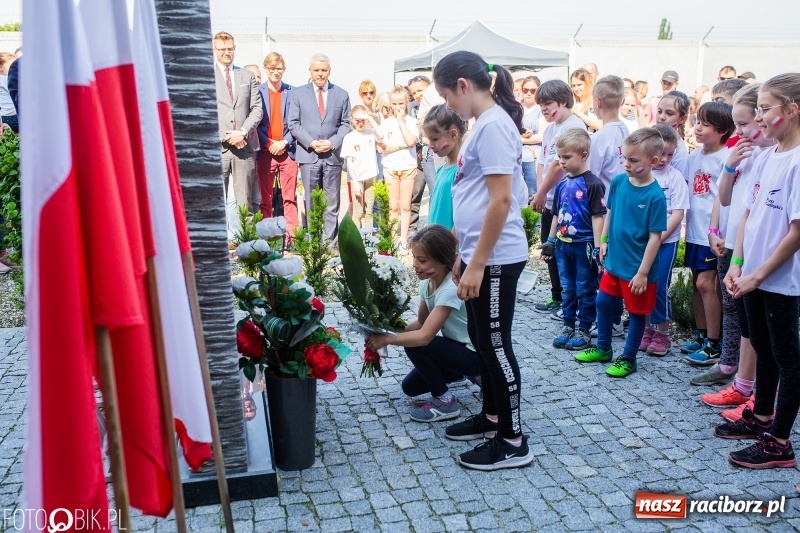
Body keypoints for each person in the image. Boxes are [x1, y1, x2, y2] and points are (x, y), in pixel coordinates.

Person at [432, 51, 532, 471]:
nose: (449, 108)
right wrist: (463, 254)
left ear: (461, 85)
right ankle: (492, 416)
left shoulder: (492, 127)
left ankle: (512, 440)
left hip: (496, 258)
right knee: (481, 335)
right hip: (479, 254)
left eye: (447, 98)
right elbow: (471, 196)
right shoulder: (483, 125)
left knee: (495, 345)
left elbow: (501, 200)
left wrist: (476, 264)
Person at [716, 73, 800, 470]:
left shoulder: (798, 161)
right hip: (751, 274)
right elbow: (747, 214)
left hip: (780, 280)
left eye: (765, 109)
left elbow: (796, 232)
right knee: (763, 346)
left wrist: (759, 274)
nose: (760, 118)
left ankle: (780, 442)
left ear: (791, 110)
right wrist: (737, 265)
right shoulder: (768, 156)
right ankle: (761, 415)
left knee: (787, 356)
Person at [693, 84, 773, 417]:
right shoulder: (742, 153)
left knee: (762, 329)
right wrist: (729, 166)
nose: (737, 132)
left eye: (743, 124)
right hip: (737, 248)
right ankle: (742, 382)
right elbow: (725, 199)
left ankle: (758, 393)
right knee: (742, 318)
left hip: (760, 255)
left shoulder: (772, 156)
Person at [574, 128, 667, 378]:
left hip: (638, 269)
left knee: (636, 314)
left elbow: (655, 237)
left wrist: (643, 273)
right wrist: (603, 240)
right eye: (624, 158)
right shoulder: (616, 182)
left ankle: (628, 358)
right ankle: (603, 348)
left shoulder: (656, 196)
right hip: (614, 261)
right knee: (603, 302)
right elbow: (610, 212)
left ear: (653, 162)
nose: (626, 164)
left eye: (633, 160)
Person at [366, 225, 480, 422]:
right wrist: (386, 330)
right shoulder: (427, 283)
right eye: (414, 258)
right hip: (456, 348)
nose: (415, 265)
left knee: (418, 346)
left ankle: (445, 402)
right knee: (410, 388)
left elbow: (424, 336)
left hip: (473, 354)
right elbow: (420, 322)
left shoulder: (450, 289)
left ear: (443, 260)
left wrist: (387, 339)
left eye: (422, 260)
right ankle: (461, 374)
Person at [540, 129, 605, 351]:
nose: (562, 162)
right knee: (567, 287)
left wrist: (598, 247)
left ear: (584, 155)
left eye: (567, 157)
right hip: (563, 245)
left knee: (585, 287)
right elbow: (556, 214)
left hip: (584, 245)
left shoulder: (593, 184)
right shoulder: (562, 185)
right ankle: (568, 324)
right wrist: (550, 240)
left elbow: (598, 216)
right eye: (559, 157)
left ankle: (585, 328)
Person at [681, 102, 734, 366]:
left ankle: (715, 343)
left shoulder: (728, 157)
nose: (697, 128)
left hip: (713, 234)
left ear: (722, 130)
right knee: (696, 284)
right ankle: (701, 334)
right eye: (696, 122)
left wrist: (717, 231)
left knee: (707, 285)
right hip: (693, 231)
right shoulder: (694, 157)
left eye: (704, 124)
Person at [529, 79, 587, 318]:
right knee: (548, 247)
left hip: (566, 199)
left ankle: (568, 299)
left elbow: (558, 165)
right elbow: (543, 161)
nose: (543, 109)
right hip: (550, 196)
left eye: (548, 103)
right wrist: (541, 190)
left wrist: (542, 191)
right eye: (540, 104)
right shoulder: (551, 127)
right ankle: (557, 295)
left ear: (563, 101)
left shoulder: (572, 126)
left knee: (561, 251)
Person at [287, 53, 351, 244]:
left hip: (332, 155)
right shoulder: (298, 94)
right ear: (310, 71)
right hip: (309, 155)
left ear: (329, 71)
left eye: (324, 70)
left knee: (332, 202)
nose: (320, 74)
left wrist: (332, 142)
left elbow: (346, 124)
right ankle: (314, 242)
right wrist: (311, 142)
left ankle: (330, 243)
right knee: (311, 202)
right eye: (316, 70)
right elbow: (293, 123)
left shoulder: (341, 94)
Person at [641, 124, 689, 355]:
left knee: (660, 285)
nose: (665, 159)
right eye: (661, 153)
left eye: (671, 154)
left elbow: (678, 213)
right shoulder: (641, 175)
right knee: (643, 285)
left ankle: (662, 333)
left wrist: (658, 238)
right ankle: (647, 328)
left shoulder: (675, 177)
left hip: (665, 243)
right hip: (640, 243)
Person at [213, 32, 263, 242]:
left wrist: (242, 132)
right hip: (218, 149)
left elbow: (257, 109)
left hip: (244, 147)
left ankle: (247, 247)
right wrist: (226, 135)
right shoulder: (208, 75)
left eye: (230, 48)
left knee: (245, 203)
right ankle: (215, 246)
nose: (227, 52)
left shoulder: (246, 75)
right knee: (215, 204)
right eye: (222, 49)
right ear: (214, 50)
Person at [255, 52, 299, 238]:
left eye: (279, 68)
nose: (275, 72)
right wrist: (268, 142)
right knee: (265, 199)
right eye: (272, 68)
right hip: (265, 152)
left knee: (289, 198)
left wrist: (284, 142)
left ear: (284, 69)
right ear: (266, 69)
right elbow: (254, 122)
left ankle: (292, 238)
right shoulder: (257, 92)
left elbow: (297, 122)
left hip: (287, 152)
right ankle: (268, 237)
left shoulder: (293, 92)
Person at [378, 86, 418, 251]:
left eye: (401, 103)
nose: (397, 107)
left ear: (407, 102)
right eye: (394, 103)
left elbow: (411, 141)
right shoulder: (385, 123)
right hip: (391, 167)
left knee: (406, 205)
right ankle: (393, 237)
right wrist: (400, 145)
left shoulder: (412, 122)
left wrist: (401, 121)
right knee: (393, 205)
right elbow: (382, 148)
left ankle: (403, 237)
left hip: (408, 166)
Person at [421, 104, 466, 230]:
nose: (430, 145)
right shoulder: (441, 170)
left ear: (453, 134)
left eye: (434, 139)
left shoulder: (461, 172)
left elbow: (462, 218)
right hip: (435, 245)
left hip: (448, 247)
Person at [341, 105, 384, 229]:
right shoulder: (349, 137)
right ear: (352, 120)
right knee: (358, 212)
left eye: (362, 120)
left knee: (369, 210)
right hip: (357, 178)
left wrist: (369, 118)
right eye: (357, 120)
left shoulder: (370, 133)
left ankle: (368, 238)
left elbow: (381, 136)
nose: (360, 123)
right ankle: (357, 239)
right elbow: (348, 161)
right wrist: (354, 181)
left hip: (370, 176)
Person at [407, 75, 432, 233]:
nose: (417, 95)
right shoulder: (411, 109)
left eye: (420, 90)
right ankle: (411, 229)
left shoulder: (436, 107)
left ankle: (432, 227)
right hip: (416, 158)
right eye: (414, 92)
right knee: (414, 195)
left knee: (435, 193)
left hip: (431, 155)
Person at [655, 90, 691, 177]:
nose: (661, 117)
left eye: (669, 113)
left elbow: (679, 181)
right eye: (659, 111)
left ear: (682, 119)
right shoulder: (648, 138)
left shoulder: (679, 151)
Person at [520, 76, 542, 197]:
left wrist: (519, 139)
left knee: (533, 193)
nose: (528, 93)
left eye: (533, 90)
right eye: (525, 90)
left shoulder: (541, 109)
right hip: (517, 156)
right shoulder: (516, 108)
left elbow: (541, 136)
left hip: (534, 156)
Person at [0, 53, 17, 133]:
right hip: (14, 117)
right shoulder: (7, 79)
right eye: (11, 65)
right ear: (1, 67)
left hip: (4, 117)